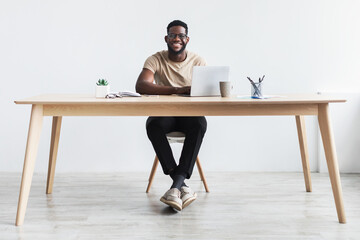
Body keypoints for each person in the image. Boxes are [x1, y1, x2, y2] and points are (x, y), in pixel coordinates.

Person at [135, 20, 207, 211]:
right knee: (153, 125)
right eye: (173, 35)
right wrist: (178, 90)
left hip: (189, 116)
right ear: (166, 38)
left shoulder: (198, 61)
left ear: (187, 39)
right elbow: (141, 85)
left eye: (181, 35)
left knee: (199, 124)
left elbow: (208, 90)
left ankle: (175, 187)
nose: (177, 39)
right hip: (165, 114)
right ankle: (181, 184)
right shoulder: (155, 59)